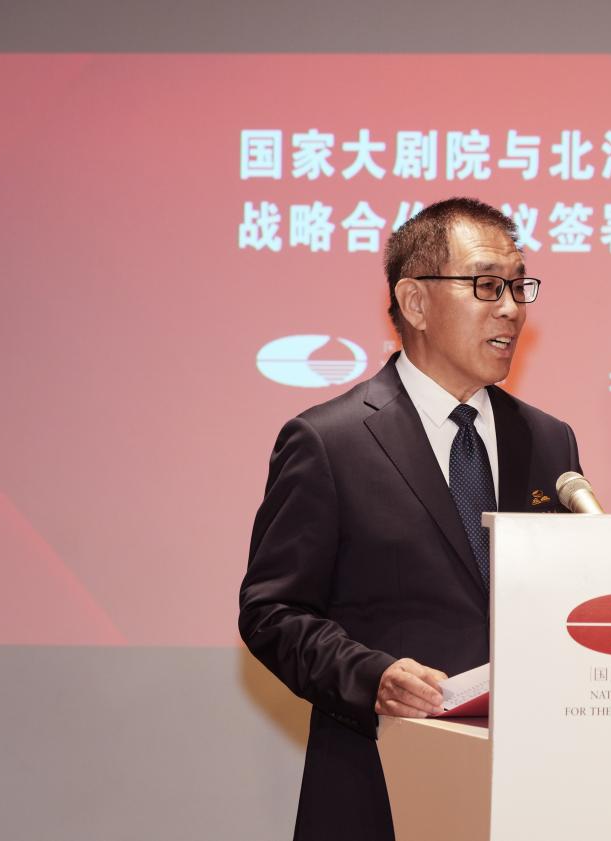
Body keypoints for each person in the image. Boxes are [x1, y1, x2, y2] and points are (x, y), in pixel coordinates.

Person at [239, 197, 583, 841]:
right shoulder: (329, 442)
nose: (512, 307)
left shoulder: (548, 440)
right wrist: (370, 676)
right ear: (415, 301)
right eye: (487, 286)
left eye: (518, 286)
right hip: (380, 780)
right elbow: (272, 612)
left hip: (527, 789)